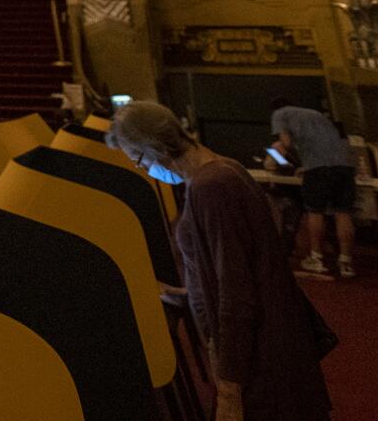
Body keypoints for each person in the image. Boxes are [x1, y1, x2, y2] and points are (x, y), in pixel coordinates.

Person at [109, 101, 332, 421]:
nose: (144, 170)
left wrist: (229, 390)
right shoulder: (222, 171)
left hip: (261, 363)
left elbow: (237, 292)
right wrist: (180, 294)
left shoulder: (211, 187)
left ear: (154, 145)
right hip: (262, 352)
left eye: (140, 160)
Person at [269, 98, 360, 278]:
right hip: (345, 165)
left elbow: (284, 143)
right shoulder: (316, 115)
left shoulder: (280, 114)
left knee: (315, 211)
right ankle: (346, 263)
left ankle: (316, 258)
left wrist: (277, 156)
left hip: (318, 168)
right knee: (343, 212)